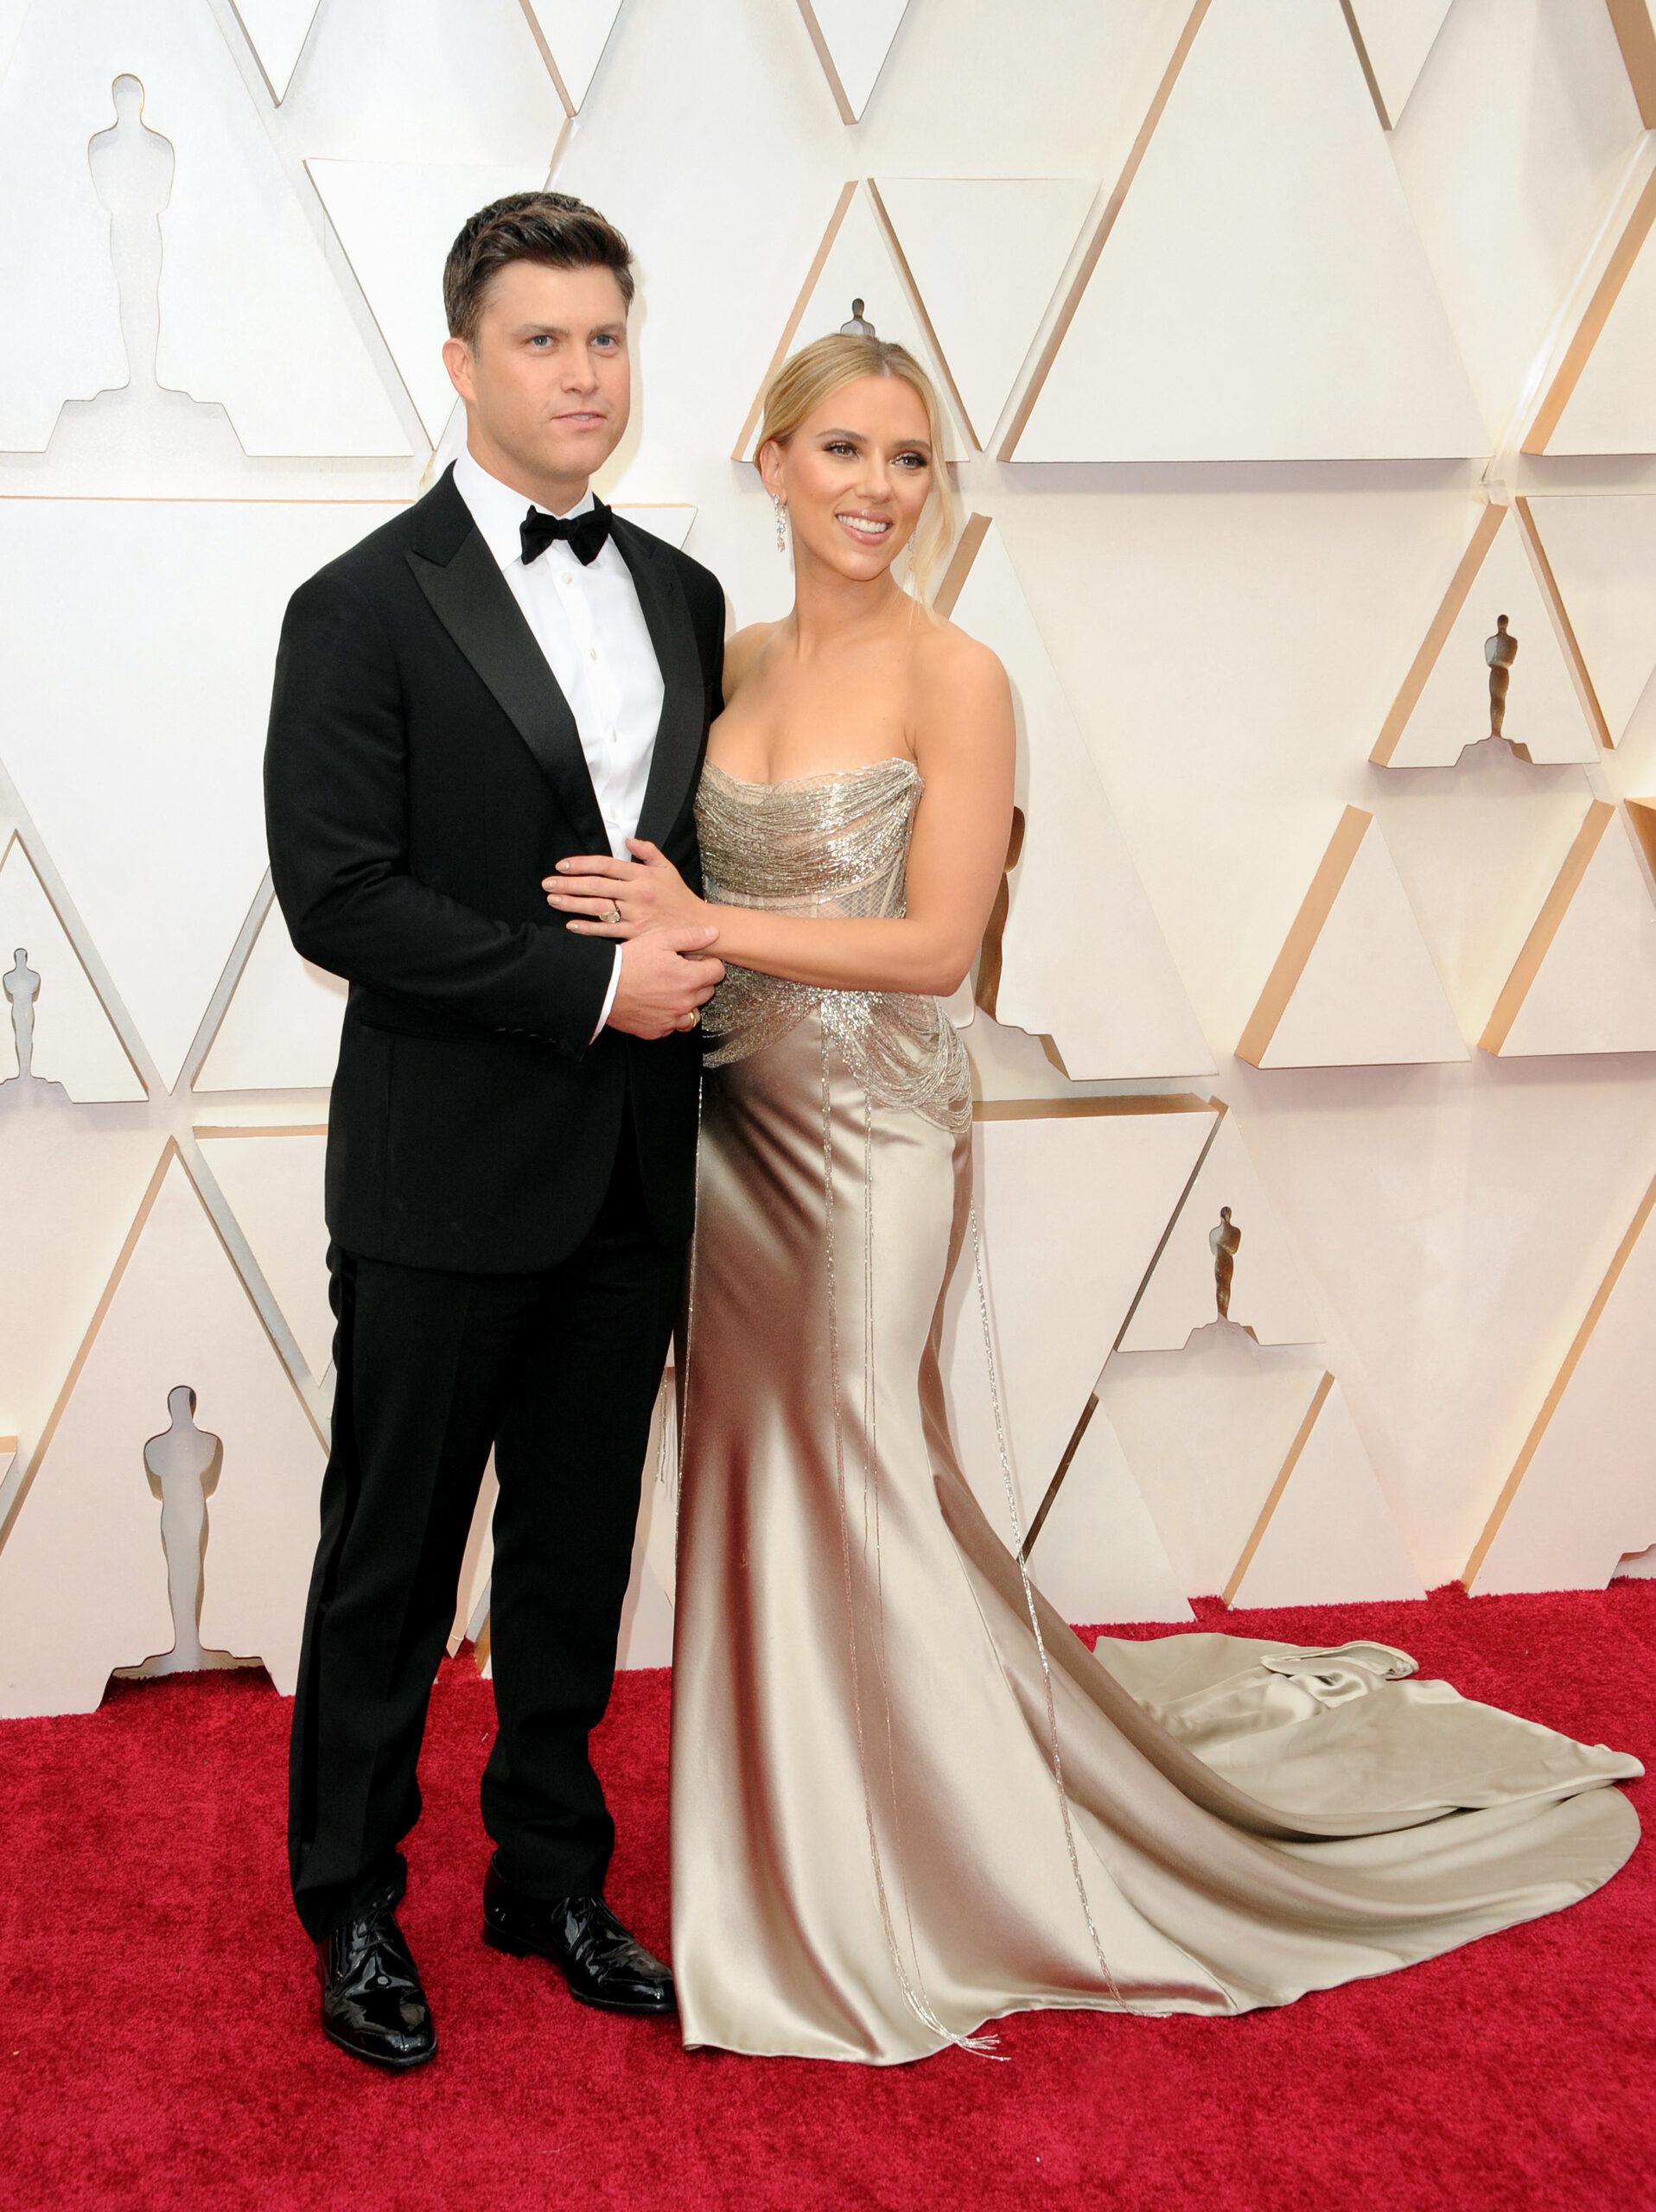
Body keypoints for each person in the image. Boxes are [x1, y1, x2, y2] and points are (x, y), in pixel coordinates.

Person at [545, 332, 1644, 2064]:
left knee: (857, 1474)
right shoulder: (730, 655)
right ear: (767, 461)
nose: (877, 488)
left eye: (911, 458)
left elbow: (934, 950)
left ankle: (937, 1874)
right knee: (774, 1489)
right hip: (728, 1139)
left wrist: (702, 920)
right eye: (841, 448)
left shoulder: (954, 675)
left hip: (870, 1144)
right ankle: (808, 1849)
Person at [264, 192, 726, 2069]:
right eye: (542, 339)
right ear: (460, 363)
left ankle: (546, 1873)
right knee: (390, 1557)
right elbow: (337, 896)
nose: (582, 373)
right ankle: (351, 1902)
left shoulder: (689, 597)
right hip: (443, 1174)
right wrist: (592, 988)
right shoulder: (361, 603)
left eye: (605, 336)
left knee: (573, 1551)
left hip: (634, 1169)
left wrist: (694, 945)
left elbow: (692, 868)